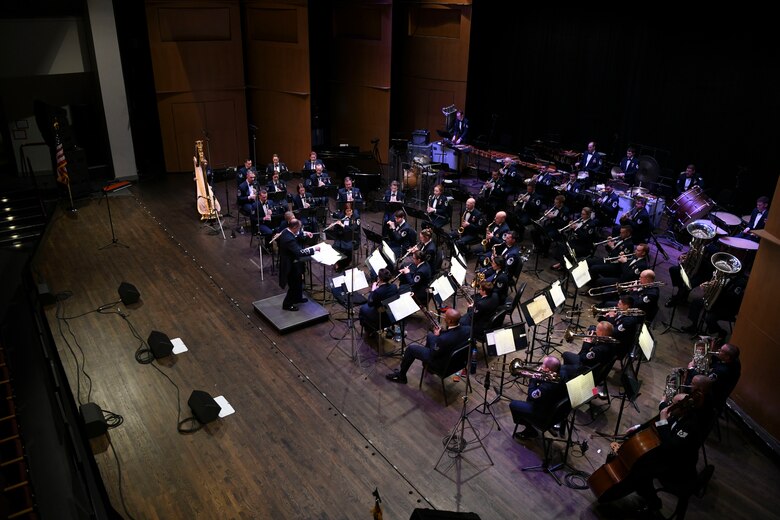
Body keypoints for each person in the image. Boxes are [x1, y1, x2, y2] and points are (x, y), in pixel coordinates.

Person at [628, 375, 716, 515]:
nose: (668, 407)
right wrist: (639, 427)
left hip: (678, 471)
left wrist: (663, 421)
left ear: (682, 407)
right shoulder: (679, 414)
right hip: (673, 457)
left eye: (672, 405)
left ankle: (654, 503)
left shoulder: (690, 425)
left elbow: (669, 447)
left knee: (640, 472)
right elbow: (663, 428)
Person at [385, 308, 471, 384]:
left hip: (442, 365)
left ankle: (401, 376)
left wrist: (437, 336)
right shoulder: (468, 329)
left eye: (445, 317)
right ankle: (428, 367)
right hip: (459, 363)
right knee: (430, 335)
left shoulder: (443, 339)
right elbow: (452, 337)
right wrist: (439, 334)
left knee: (411, 349)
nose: (444, 317)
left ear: (450, 321)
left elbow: (434, 352)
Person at [509, 355, 566, 439]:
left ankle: (530, 430)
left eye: (543, 365)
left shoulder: (545, 388)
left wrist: (533, 379)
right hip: (555, 408)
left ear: (547, 369)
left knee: (513, 405)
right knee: (528, 400)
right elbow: (545, 378)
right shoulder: (561, 374)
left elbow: (532, 394)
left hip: (543, 413)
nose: (540, 366)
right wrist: (537, 376)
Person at [681, 271, 747, 337]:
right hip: (716, 303)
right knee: (696, 302)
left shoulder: (741, 282)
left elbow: (732, 298)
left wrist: (718, 288)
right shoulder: (724, 276)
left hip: (727, 308)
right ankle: (693, 326)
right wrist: (709, 286)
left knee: (709, 318)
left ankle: (721, 332)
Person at [278, 219, 320, 311]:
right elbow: (299, 252)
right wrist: (314, 249)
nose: (299, 230)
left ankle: (298, 298)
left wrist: (305, 233)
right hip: (290, 264)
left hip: (295, 262)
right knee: (293, 285)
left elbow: (297, 234)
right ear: (294, 227)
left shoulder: (287, 231)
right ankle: (287, 304)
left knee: (299, 281)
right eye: (299, 228)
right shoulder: (288, 239)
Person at [684, 342, 741, 409]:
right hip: (715, 387)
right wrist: (705, 353)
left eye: (721, 350)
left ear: (727, 357)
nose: (718, 350)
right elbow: (719, 361)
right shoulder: (734, 361)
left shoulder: (721, 371)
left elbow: (704, 382)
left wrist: (691, 368)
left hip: (711, 397)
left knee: (690, 380)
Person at [359, 268, 399, 333]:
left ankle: (368, 329)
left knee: (363, 309)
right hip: (390, 311)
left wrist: (373, 290)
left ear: (379, 279)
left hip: (380, 314)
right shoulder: (394, 286)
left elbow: (370, 303)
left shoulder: (377, 292)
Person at [329, 203, 361, 272]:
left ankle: (344, 264)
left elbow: (353, 228)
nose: (349, 212)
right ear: (344, 211)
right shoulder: (342, 216)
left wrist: (343, 225)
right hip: (343, 237)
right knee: (335, 246)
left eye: (350, 210)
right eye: (347, 211)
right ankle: (339, 262)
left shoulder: (356, 217)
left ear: (352, 210)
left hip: (352, 238)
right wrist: (334, 226)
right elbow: (338, 227)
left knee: (346, 248)